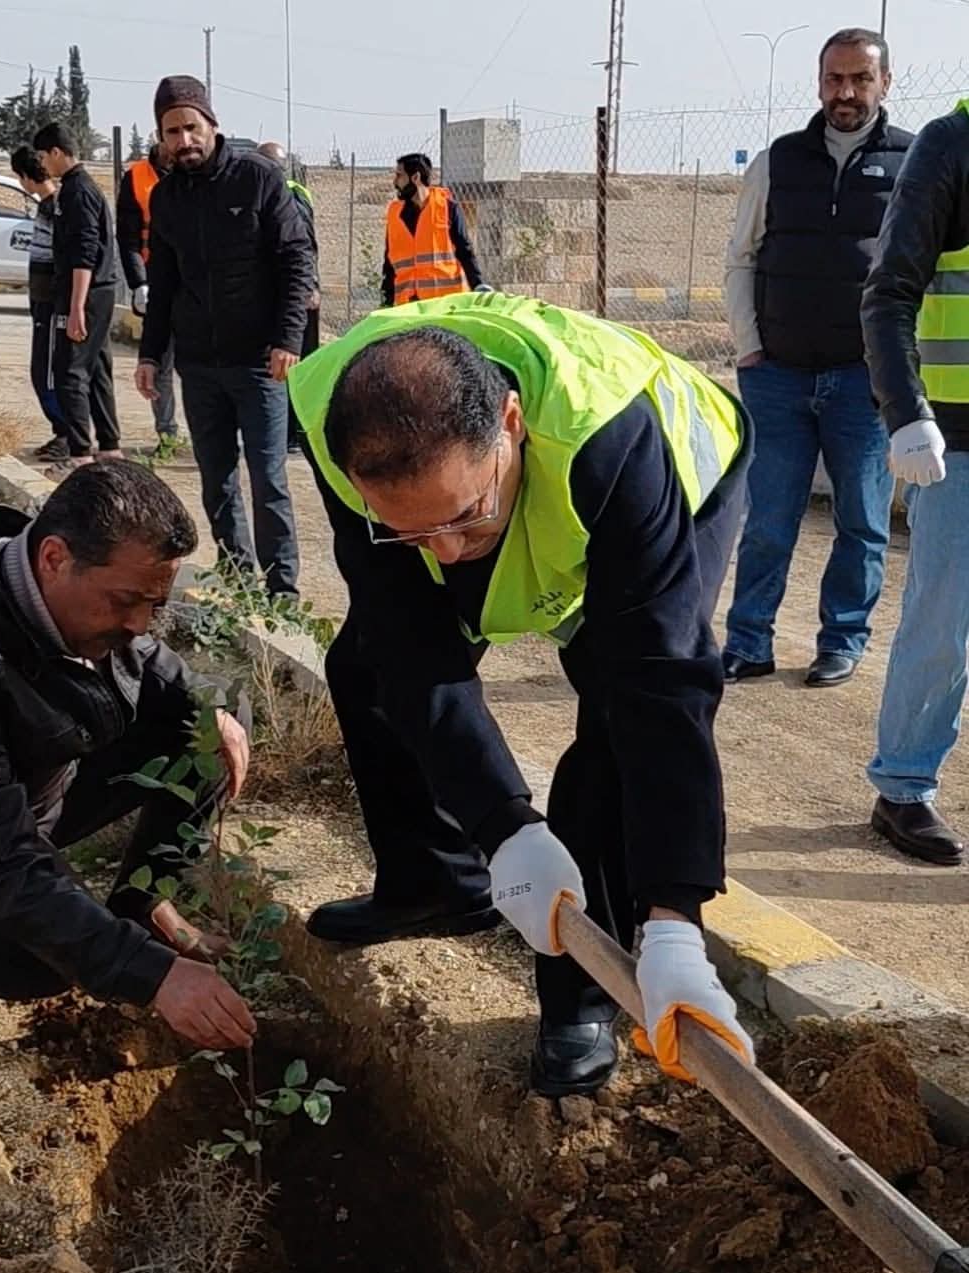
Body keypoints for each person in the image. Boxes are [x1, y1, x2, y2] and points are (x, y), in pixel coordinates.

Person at [288, 292, 755, 1097]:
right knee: (367, 666)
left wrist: (675, 917)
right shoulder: (338, 418)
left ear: (509, 423)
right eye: (408, 529)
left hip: (684, 480)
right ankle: (436, 879)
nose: (444, 551)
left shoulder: (608, 437)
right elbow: (412, 647)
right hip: (518, 478)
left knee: (614, 713)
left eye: (463, 515)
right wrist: (503, 825)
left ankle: (584, 994)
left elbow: (664, 686)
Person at [0, 461, 254, 1060]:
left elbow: (156, 664)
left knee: (210, 732)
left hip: (27, 788)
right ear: (54, 558)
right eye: (126, 602)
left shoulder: (64, 590)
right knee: (40, 959)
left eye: (153, 605)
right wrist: (152, 977)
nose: (139, 625)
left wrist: (211, 705)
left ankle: (141, 908)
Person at [722, 28, 913, 688]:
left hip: (866, 382)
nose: (847, 92)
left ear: (885, 83)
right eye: (835, 79)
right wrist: (749, 345)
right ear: (819, 83)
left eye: (861, 78)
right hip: (777, 376)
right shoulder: (777, 162)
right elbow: (742, 257)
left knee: (862, 521)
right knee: (770, 520)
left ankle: (842, 639)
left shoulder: (914, 164)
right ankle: (748, 641)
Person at [136, 78, 315, 596]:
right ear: (162, 137)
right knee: (215, 477)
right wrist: (151, 355)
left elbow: (295, 260)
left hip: (260, 360)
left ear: (211, 125)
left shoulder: (257, 178)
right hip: (200, 363)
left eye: (192, 127)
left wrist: (288, 339)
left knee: (268, 479)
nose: (184, 140)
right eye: (173, 131)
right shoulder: (167, 197)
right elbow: (163, 283)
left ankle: (282, 588)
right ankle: (237, 574)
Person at [861, 98, 969, 865]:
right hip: (957, 439)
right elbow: (890, 291)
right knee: (943, 621)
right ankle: (902, 784)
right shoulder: (950, 147)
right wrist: (905, 411)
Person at [33, 122, 122, 469]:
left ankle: (80, 453)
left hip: (85, 293)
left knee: (70, 371)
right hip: (93, 292)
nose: (43, 164)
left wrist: (76, 308)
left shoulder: (77, 192)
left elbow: (84, 253)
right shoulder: (75, 188)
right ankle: (110, 445)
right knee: (97, 368)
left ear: (57, 152)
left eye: (43, 156)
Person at [116, 140, 179, 457]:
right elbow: (127, 237)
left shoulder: (196, 172)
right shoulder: (136, 177)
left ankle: (212, 438)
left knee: (201, 369)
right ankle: (167, 435)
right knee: (159, 364)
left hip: (194, 285)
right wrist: (139, 282)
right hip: (154, 282)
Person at [258, 140, 321, 454]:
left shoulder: (290, 194)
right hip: (277, 292)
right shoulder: (266, 192)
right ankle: (285, 433)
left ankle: (294, 435)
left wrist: (310, 284)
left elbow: (305, 245)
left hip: (295, 294)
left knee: (295, 365)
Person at [9, 145, 68, 464]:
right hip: (42, 302)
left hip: (51, 305)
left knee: (44, 373)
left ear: (26, 177)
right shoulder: (47, 206)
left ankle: (66, 433)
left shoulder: (54, 208)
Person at [383, 153, 485, 307]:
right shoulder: (395, 214)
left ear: (415, 178)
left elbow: (465, 251)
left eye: (399, 176)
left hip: (446, 304)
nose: (395, 182)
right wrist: (386, 300)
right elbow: (389, 262)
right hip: (408, 305)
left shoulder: (447, 208)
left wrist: (478, 285)